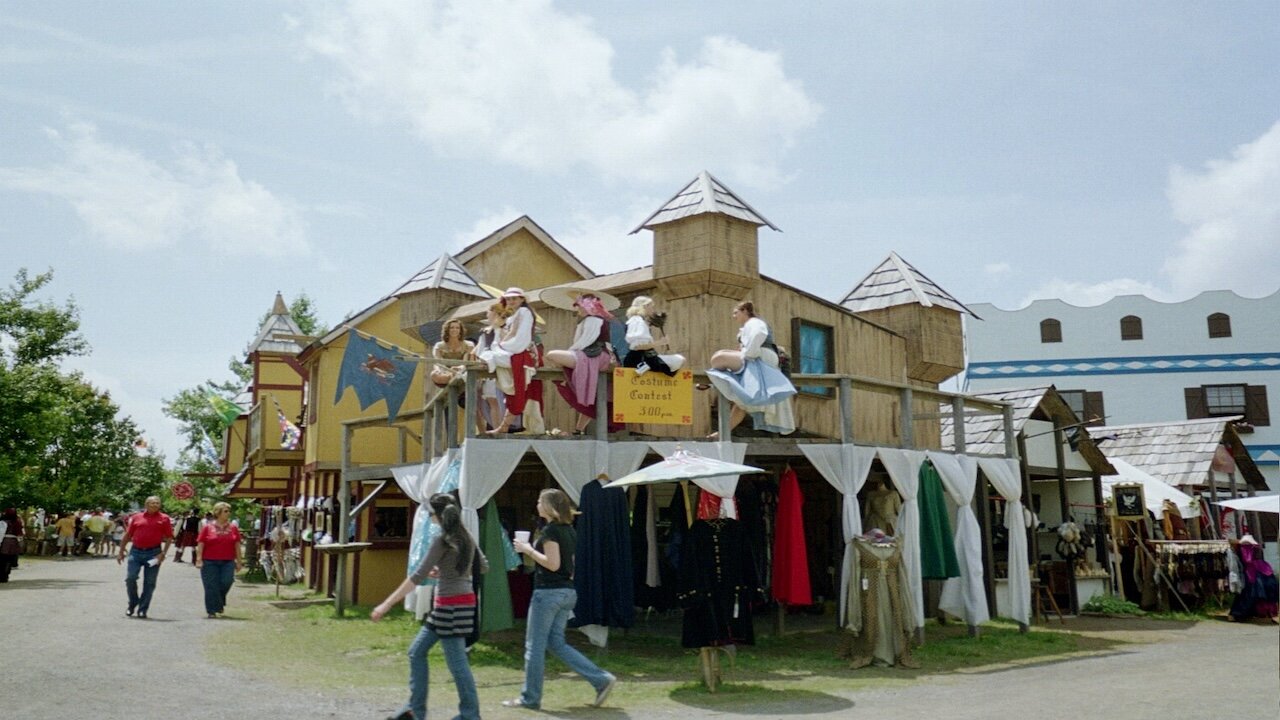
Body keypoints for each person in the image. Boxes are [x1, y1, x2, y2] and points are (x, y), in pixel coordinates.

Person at [373, 493, 488, 720]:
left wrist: (386, 604)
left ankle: (470, 715)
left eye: (430, 513)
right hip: (459, 605)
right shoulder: (466, 537)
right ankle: (416, 711)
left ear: (438, 515)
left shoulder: (442, 540)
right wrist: (447, 571)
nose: (428, 516)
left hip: (450, 607)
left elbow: (416, 577)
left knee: (457, 664)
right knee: (417, 652)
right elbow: (483, 566)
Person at [505, 489, 617, 710]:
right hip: (567, 592)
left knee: (533, 647)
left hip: (548, 593)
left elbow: (553, 564)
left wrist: (527, 550)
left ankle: (530, 698)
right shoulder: (569, 531)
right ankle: (601, 679)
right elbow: (571, 568)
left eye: (540, 501)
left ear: (549, 507)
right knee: (556, 643)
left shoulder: (550, 532)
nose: (537, 504)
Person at [705, 301, 796, 438]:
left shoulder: (754, 322)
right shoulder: (747, 327)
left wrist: (749, 354)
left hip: (760, 357)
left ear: (745, 311)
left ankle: (717, 384)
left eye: (736, 312)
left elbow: (759, 335)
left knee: (718, 358)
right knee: (741, 403)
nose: (734, 316)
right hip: (756, 358)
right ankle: (723, 432)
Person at [546, 293, 616, 435]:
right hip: (591, 355)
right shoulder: (587, 321)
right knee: (593, 396)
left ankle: (572, 378)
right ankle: (578, 430)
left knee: (552, 355)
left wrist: (571, 353)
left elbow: (586, 342)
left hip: (594, 355)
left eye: (579, 306)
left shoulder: (594, 320)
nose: (578, 309)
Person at [479, 287, 544, 434]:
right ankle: (504, 427)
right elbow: (508, 335)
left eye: (514, 298)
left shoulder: (524, 312)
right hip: (512, 353)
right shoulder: (512, 316)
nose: (511, 301)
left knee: (519, 394)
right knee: (514, 394)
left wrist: (501, 346)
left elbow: (519, 340)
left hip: (521, 356)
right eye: (508, 299)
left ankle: (506, 427)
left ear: (522, 299)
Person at [116, 496, 174, 619]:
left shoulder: (164, 518)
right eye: (152, 503)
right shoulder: (137, 517)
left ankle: (143, 609)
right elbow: (128, 535)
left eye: (157, 503)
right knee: (130, 578)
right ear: (146, 504)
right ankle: (133, 602)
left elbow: (169, 537)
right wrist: (121, 551)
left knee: (150, 583)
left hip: (154, 553)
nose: (155, 505)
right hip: (136, 552)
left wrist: (163, 553)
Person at [195, 502, 243, 618]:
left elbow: (237, 545)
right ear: (218, 512)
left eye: (229, 511)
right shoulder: (208, 527)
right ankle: (211, 610)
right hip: (209, 561)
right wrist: (199, 559)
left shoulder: (233, 528)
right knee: (211, 585)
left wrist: (239, 561)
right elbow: (201, 543)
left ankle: (219, 601)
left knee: (227, 581)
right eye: (226, 511)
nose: (228, 513)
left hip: (227, 561)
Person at [622, 295, 685, 376]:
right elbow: (637, 346)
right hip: (640, 361)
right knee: (679, 359)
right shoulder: (637, 321)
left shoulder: (639, 320)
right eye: (651, 307)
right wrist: (661, 342)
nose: (653, 310)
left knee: (678, 360)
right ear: (645, 306)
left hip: (645, 360)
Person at [472, 302, 510, 432]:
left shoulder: (506, 329)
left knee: (494, 400)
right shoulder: (486, 332)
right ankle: (494, 428)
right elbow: (479, 350)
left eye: (488, 311)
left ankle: (499, 428)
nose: (487, 314)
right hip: (487, 364)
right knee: (490, 399)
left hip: (499, 363)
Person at [430, 319, 475, 388]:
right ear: (447, 330)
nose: (455, 330)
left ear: (460, 330)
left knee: (463, 374)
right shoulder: (439, 346)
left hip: (462, 371)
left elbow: (466, 363)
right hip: (445, 372)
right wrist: (441, 371)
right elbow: (438, 363)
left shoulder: (468, 345)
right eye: (452, 327)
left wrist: (459, 368)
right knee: (434, 375)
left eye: (457, 328)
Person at [0, 508, 23, 582]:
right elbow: (20, 533)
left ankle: (2, 575)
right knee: (9, 559)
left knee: (3, 559)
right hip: (13, 542)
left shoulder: (3, 522)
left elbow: (1, 533)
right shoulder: (17, 522)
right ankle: (6, 575)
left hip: (5, 541)